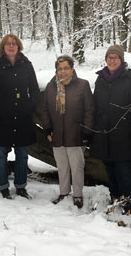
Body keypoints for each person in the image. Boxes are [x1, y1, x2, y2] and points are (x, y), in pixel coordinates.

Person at [90, 45, 131, 214]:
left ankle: (127, 202)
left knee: (124, 171)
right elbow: (95, 106)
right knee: (110, 169)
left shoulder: (130, 80)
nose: (112, 60)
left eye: (115, 57)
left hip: (124, 135)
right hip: (104, 133)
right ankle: (114, 197)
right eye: (109, 57)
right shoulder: (101, 79)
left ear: (121, 60)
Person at [0, 34, 39, 200]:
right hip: (2, 116)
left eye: (14, 43)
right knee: (1, 153)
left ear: (19, 46)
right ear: (3, 47)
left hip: (22, 115)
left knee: (22, 153)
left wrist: (30, 107)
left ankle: (21, 187)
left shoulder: (26, 65)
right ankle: (2, 187)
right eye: (7, 43)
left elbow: (34, 91)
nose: (11, 46)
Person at [41, 55, 94, 209]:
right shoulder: (51, 87)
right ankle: (64, 192)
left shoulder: (82, 85)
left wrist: (87, 132)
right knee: (62, 166)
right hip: (57, 134)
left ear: (72, 69)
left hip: (75, 134)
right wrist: (47, 128)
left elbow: (89, 110)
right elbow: (45, 110)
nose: (63, 72)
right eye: (59, 69)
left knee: (77, 167)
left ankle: (77, 195)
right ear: (56, 71)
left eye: (66, 68)